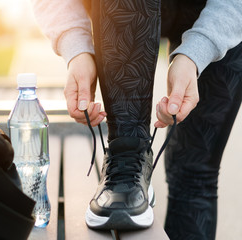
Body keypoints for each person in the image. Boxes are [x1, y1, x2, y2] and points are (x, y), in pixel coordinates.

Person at [31, 0, 242, 239]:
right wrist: (77, 51)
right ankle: (128, 153)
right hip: (121, 11)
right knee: (130, 145)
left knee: (195, 172)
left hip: (217, 8)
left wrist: (195, 55)